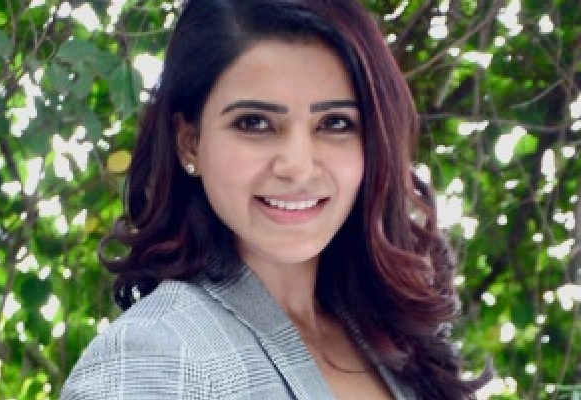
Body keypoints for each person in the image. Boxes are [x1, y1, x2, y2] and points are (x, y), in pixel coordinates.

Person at [61, 0, 491, 399]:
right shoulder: (157, 353)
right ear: (190, 143)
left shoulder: (394, 339)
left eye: (335, 123)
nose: (298, 167)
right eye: (254, 123)